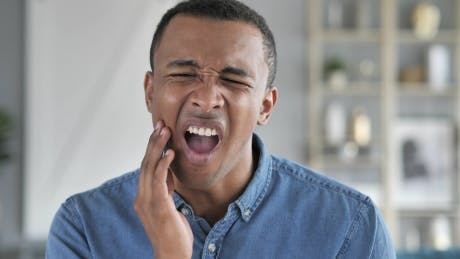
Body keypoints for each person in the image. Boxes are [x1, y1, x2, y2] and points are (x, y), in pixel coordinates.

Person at [46, 0, 396, 258]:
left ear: (265, 106)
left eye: (232, 80)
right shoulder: (83, 228)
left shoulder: (351, 227)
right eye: (183, 75)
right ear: (150, 92)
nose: (207, 98)